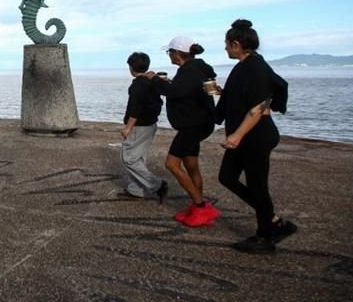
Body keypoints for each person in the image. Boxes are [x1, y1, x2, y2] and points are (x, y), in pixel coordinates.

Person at [216, 19, 296, 253]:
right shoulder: (244, 66)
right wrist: (224, 93)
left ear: (236, 44)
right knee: (227, 177)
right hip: (247, 134)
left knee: (258, 186)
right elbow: (246, 95)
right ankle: (273, 221)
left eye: (226, 44)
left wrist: (237, 135)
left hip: (256, 135)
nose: (225, 48)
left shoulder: (256, 67)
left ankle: (265, 236)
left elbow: (259, 107)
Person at [152, 36, 220, 227]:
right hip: (203, 123)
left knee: (172, 164)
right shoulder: (201, 69)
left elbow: (175, 92)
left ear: (176, 53)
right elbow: (210, 91)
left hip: (192, 125)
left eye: (169, 52)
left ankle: (200, 207)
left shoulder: (188, 72)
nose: (169, 56)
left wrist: (157, 81)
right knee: (191, 165)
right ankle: (196, 205)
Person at [119, 52, 168, 201]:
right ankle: (135, 189)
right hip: (150, 124)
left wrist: (128, 127)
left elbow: (135, 108)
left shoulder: (138, 85)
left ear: (131, 67)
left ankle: (157, 185)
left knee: (128, 158)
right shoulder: (152, 81)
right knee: (138, 158)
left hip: (139, 127)